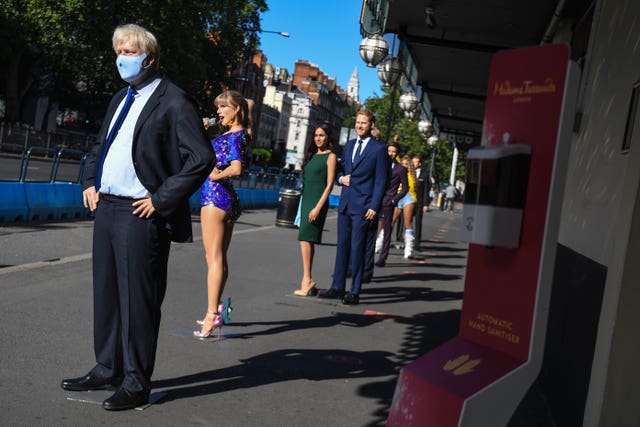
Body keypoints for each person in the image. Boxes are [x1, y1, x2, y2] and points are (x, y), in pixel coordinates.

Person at [61, 24, 215, 410]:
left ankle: (135, 381)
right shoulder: (120, 98)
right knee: (107, 294)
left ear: (149, 58)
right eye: (118, 50)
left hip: (140, 212)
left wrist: (161, 199)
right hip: (107, 207)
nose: (121, 58)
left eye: (129, 51)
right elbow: (102, 144)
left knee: (138, 301)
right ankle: (107, 367)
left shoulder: (174, 101)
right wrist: (90, 180)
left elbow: (202, 159)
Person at [318, 109, 388, 305]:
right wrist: (340, 178)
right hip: (346, 204)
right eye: (357, 122)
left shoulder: (379, 149)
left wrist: (375, 206)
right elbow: (340, 170)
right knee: (342, 247)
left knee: (357, 249)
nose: (359, 126)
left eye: (363, 123)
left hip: (364, 206)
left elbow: (382, 180)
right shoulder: (348, 145)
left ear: (371, 124)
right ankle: (337, 287)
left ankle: (354, 290)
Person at [195, 90, 250, 337]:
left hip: (214, 198)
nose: (219, 111)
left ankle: (211, 314)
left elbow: (237, 168)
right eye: (218, 107)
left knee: (213, 259)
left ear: (237, 108)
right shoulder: (232, 134)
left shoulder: (234, 136)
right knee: (219, 258)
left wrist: (216, 174)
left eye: (223, 107)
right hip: (225, 200)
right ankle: (215, 308)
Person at [294, 124, 338, 296]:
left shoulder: (331, 156)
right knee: (305, 239)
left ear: (328, 137)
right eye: (316, 135)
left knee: (306, 237)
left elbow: (329, 185)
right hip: (306, 199)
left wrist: (318, 208)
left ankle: (307, 280)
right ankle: (307, 279)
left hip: (317, 202)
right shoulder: (312, 155)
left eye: (322, 135)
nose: (318, 138)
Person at [375, 143, 408, 267]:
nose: (391, 153)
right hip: (375, 200)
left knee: (387, 229)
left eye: (394, 151)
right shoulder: (380, 164)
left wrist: (394, 200)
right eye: (389, 151)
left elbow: (405, 188)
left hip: (388, 202)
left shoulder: (400, 169)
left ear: (397, 153)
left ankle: (383, 257)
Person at [391, 155, 417, 258]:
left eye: (407, 164)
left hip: (409, 197)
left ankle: (408, 249)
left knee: (408, 222)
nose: (405, 166)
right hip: (398, 196)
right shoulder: (398, 171)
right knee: (391, 220)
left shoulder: (412, 174)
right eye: (403, 164)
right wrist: (396, 141)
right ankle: (379, 244)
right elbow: (395, 156)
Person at [412, 155, 429, 251]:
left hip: (419, 203)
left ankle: (417, 244)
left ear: (420, 163)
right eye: (413, 161)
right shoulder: (408, 172)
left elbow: (426, 190)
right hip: (409, 201)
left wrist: (425, 204)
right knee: (408, 223)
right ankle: (408, 242)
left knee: (418, 223)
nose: (414, 163)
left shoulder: (425, 175)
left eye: (416, 162)